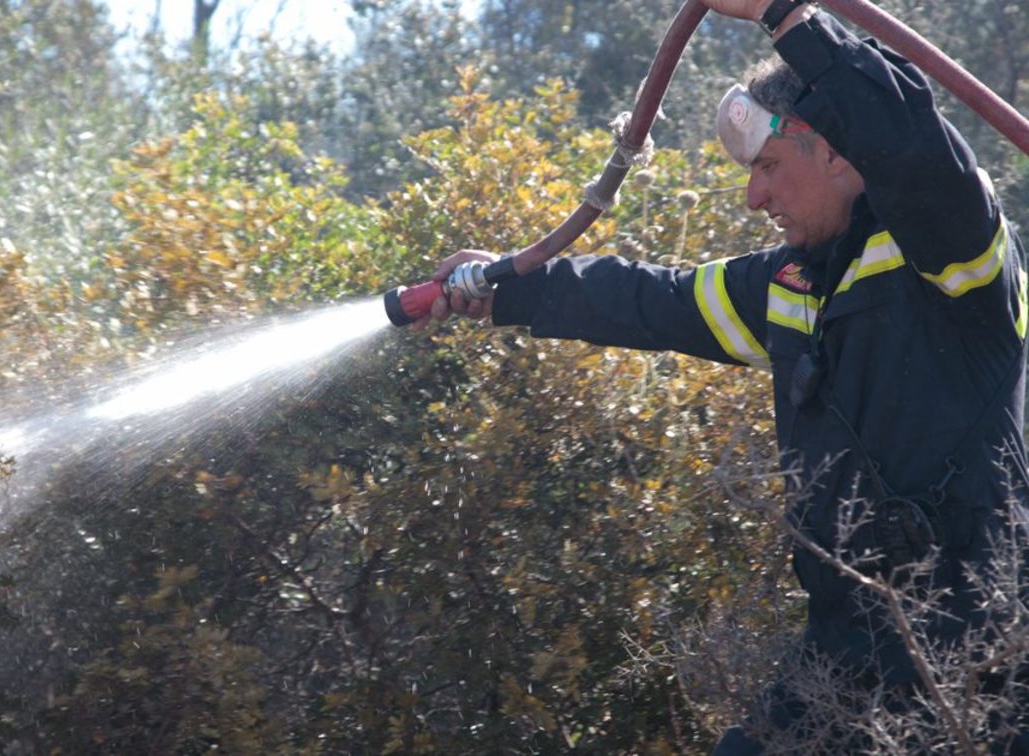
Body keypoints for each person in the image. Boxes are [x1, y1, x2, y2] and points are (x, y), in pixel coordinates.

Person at [419, 0, 1029, 751]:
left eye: (768, 167)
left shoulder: (955, 259)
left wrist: (790, 18)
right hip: (843, 662)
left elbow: (911, 147)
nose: (754, 197)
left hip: (983, 667)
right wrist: (508, 288)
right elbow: (656, 300)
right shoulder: (788, 287)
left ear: (835, 152)